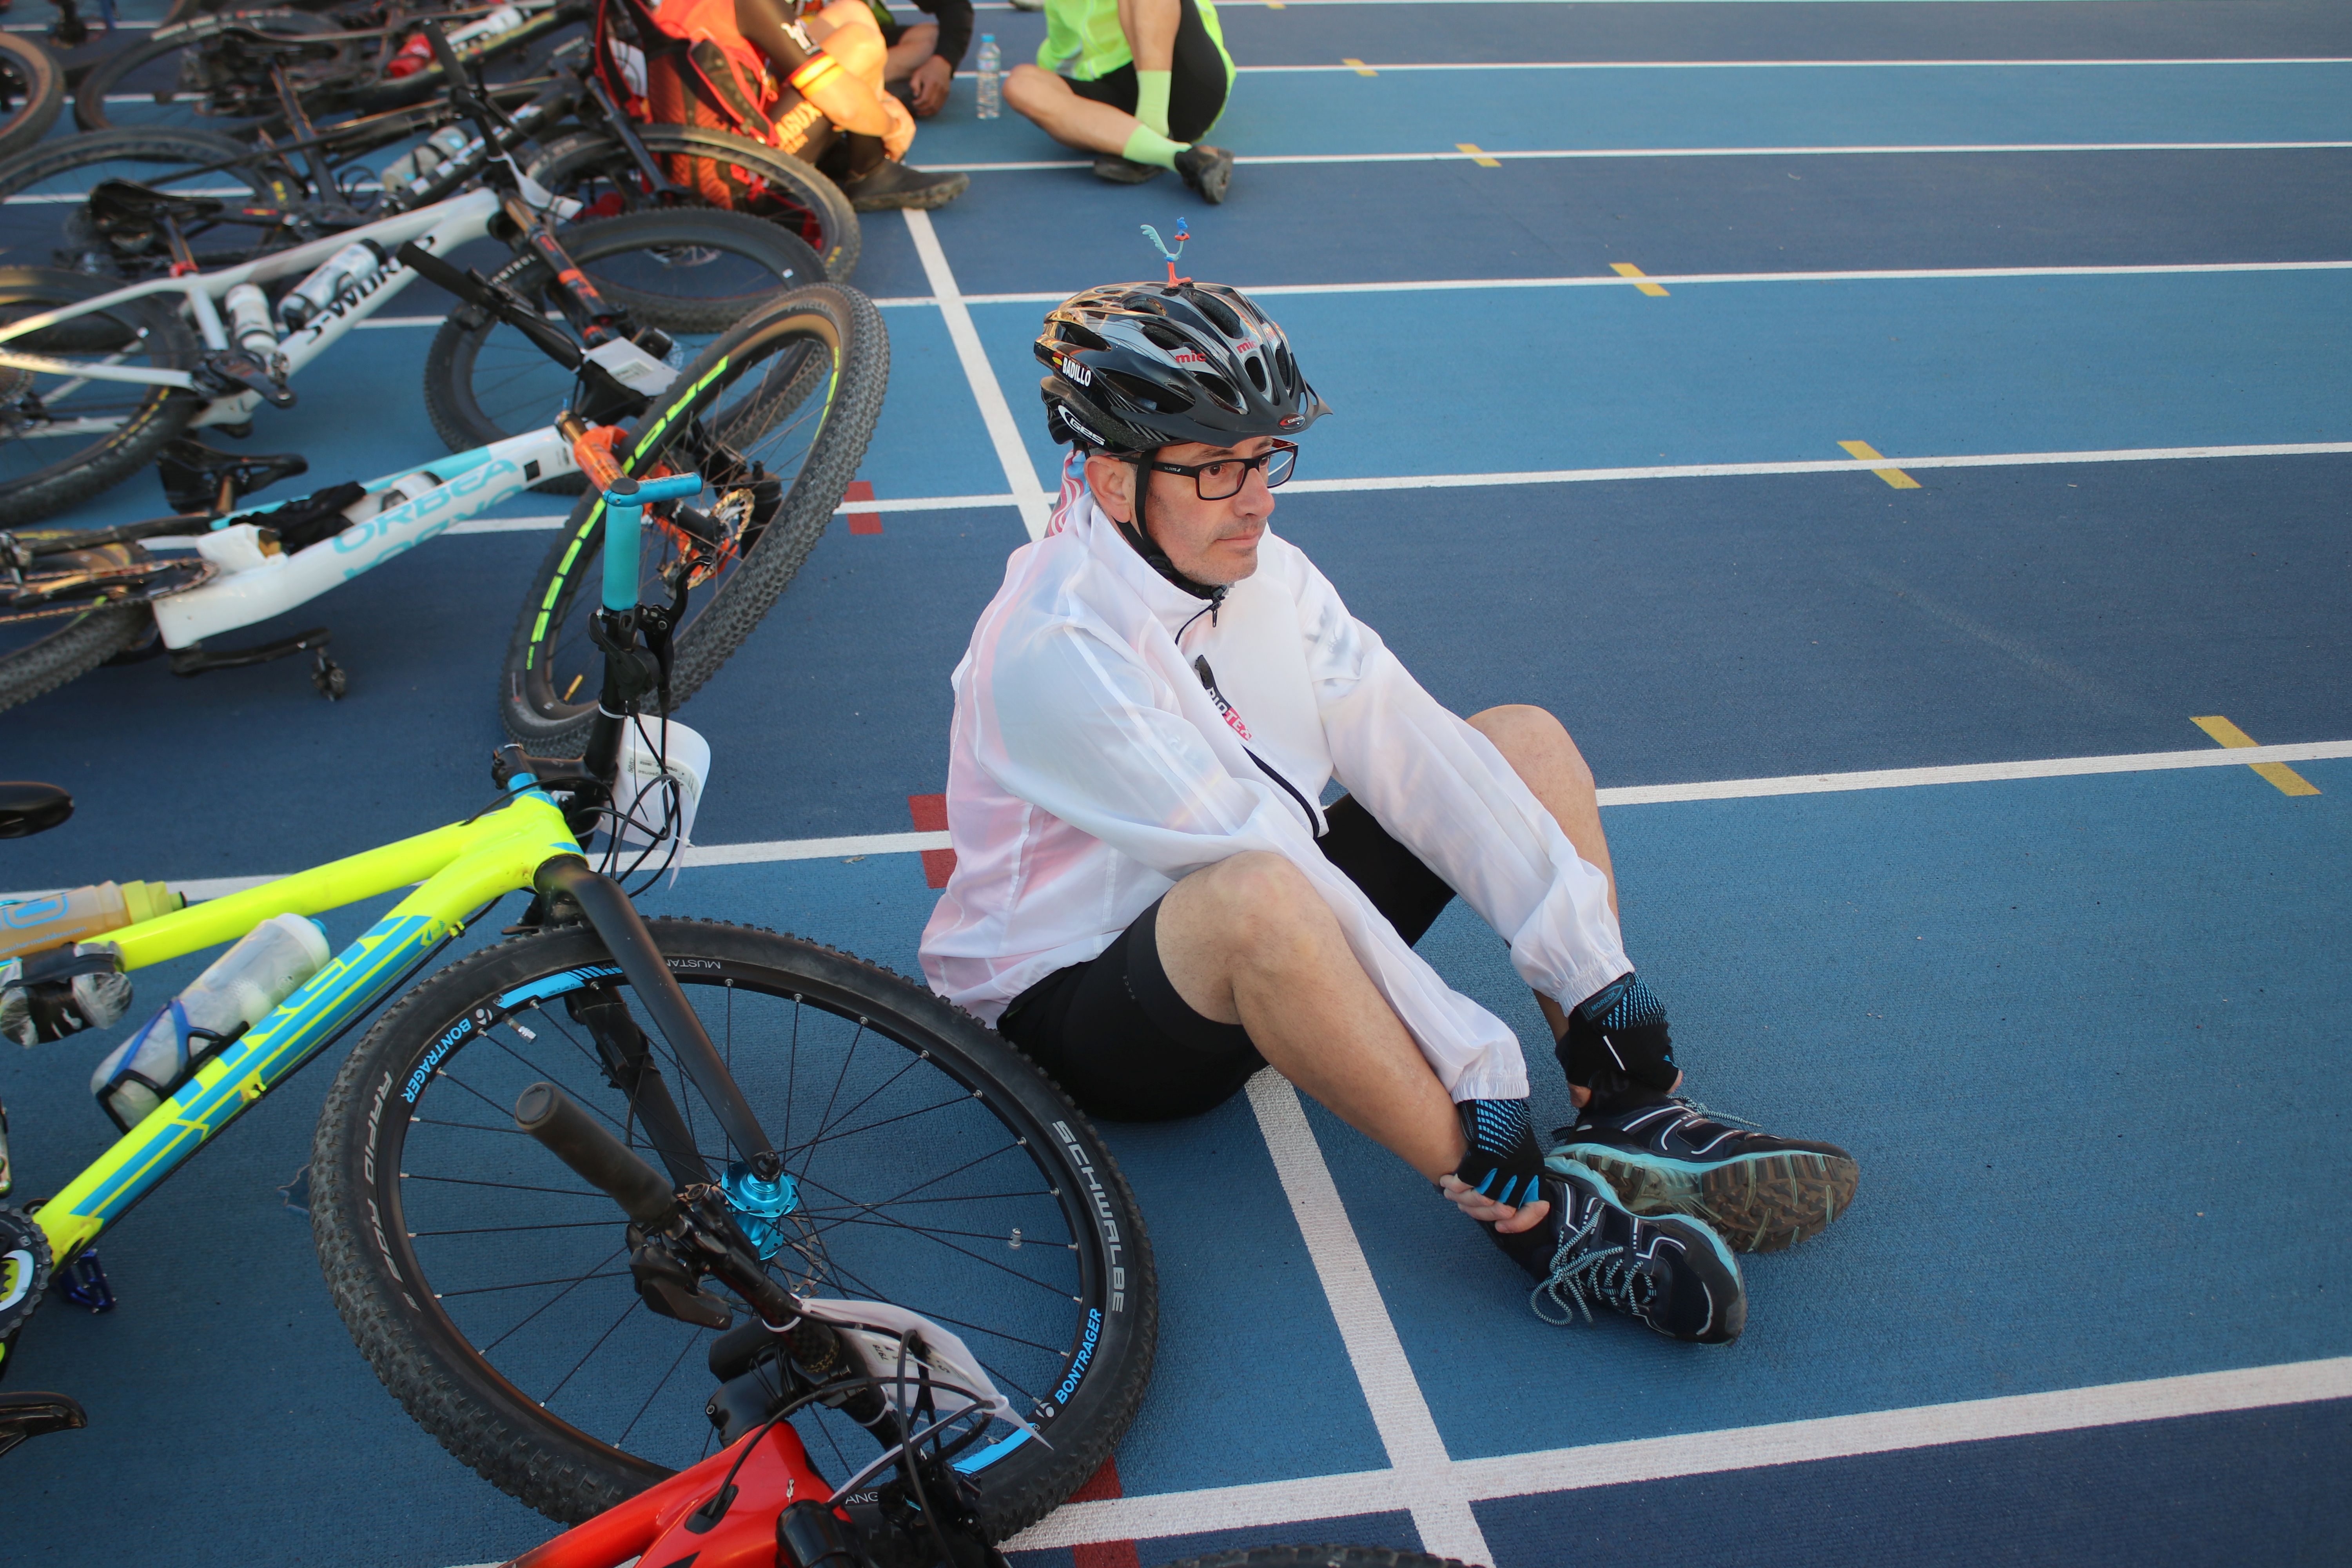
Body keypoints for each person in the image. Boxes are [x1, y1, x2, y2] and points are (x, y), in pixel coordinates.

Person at [918, 280, 1860, 1341]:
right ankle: (1537, 1222)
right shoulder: (1057, 652)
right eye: (1217, 469)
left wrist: (1602, 987)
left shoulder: (1269, 575)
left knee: (1518, 742)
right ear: (1112, 480)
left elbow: (1420, 755)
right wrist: (1478, 1073)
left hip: (1266, 933)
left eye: (1267, 459)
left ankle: (1630, 1109)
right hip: (1077, 1013)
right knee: (1261, 899)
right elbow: (1264, 855)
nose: (1258, 499)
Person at [614, 0, 970, 209]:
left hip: (692, 149)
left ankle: (865, 161)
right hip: (734, 178)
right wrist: (891, 124)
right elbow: (844, 103)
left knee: (851, 12)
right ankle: (870, 171)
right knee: (860, 48)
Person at [1001, 0, 1237, 201]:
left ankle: (1152, 125)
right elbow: (1063, 59)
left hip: (1184, 78)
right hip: (1118, 96)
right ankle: (1176, 156)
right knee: (1021, 83)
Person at [861, 0, 972, 118]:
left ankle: (862, 88)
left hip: (873, 36)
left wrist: (943, 61)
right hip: (843, 48)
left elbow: (954, 4)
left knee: (934, 40)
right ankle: (858, 91)